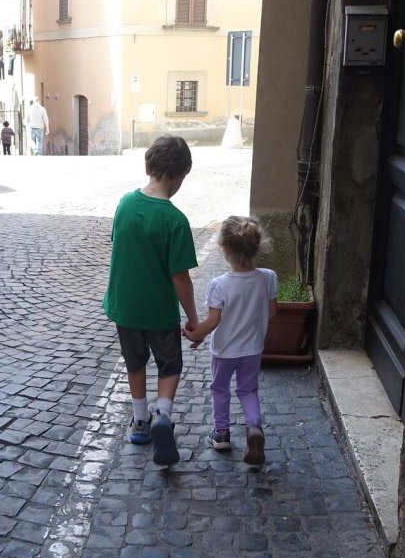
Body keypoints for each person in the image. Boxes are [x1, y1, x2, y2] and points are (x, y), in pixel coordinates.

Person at [103, 135, 199, 466]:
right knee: (170, 365)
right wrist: (194, 319)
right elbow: (180, 278)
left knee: (135, 363)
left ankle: (140, 420)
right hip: (160, 313)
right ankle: (163, 414)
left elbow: (119, 246)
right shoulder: (175, 220)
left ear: (149, 166)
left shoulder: (125, 204)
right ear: (183, 173)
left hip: (126, 309)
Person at [183, 216, 278, 465]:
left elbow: (213, 321)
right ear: (256, 247)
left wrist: (196, 334)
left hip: (224, 350)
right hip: (253, 348)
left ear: (224, 249)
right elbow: (272, 312)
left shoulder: (219, 285)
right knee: (248, 389)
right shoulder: (268, 277)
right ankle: (254, 427)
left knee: (220, 389)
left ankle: (222, 433)